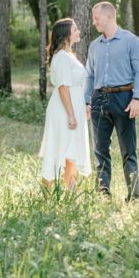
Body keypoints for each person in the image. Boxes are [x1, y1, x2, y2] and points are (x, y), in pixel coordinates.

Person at [84, 1, 139, 201]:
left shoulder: (132, 41)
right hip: (99, 98)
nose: (94, 22)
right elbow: (89, 75)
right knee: (100, 150)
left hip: (124, 98)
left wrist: (137, 98)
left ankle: (134, 196)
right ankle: (103, 194)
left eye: (96, 18)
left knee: (129, 150)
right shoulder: (94, 46)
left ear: (109, 16)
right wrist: (87, 101)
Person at [39, 18, 92, 191]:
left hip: (73, 107)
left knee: (71, 151)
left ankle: (71, 191)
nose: (78, 31)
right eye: (75, 29)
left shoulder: (69, 55)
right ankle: (47, 191)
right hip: (63, 110)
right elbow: (62, 87)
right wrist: (70, 114)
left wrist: (83, 107)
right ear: (66, 34)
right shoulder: (61, 57)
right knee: (59, 147)